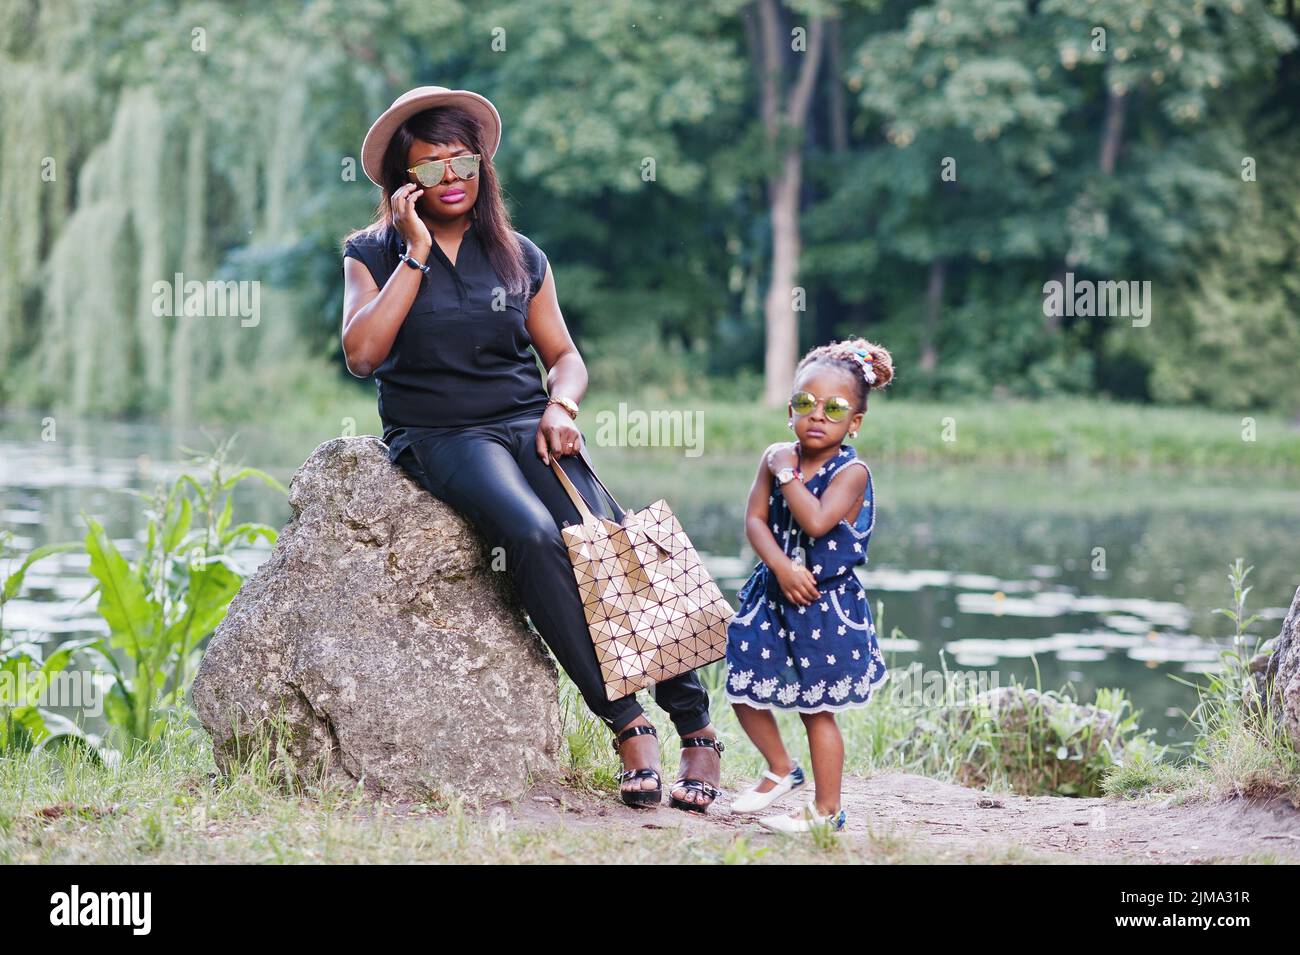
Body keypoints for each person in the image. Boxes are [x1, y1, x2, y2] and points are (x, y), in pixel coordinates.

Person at [338, 86, 723, 811]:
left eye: (463, 161)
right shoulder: (372, 254)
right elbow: (362, 354)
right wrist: (414, 255)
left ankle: (697, 726)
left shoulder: (519, 255)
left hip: (528, 419)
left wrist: (562, 404)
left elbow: (565, 355)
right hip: (442, 433)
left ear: (482, 165)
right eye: (430, 167)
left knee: (610, 538)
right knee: (531, 531)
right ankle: (625, 720)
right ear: (403, 185)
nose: (450, 178)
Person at [723, 337, 894, 832]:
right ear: (790, 409)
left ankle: (827, 812)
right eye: (805, 403)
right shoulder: (775, 457)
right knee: (742, 683)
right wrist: (780, 566)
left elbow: (817, 522)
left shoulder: (852, 472)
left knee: (817, 711)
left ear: (854, 422)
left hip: (826, 607)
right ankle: (780, 768)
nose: (817, 415)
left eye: (834, 408)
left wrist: (786, 474)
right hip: (771, 595)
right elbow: (755, 520)